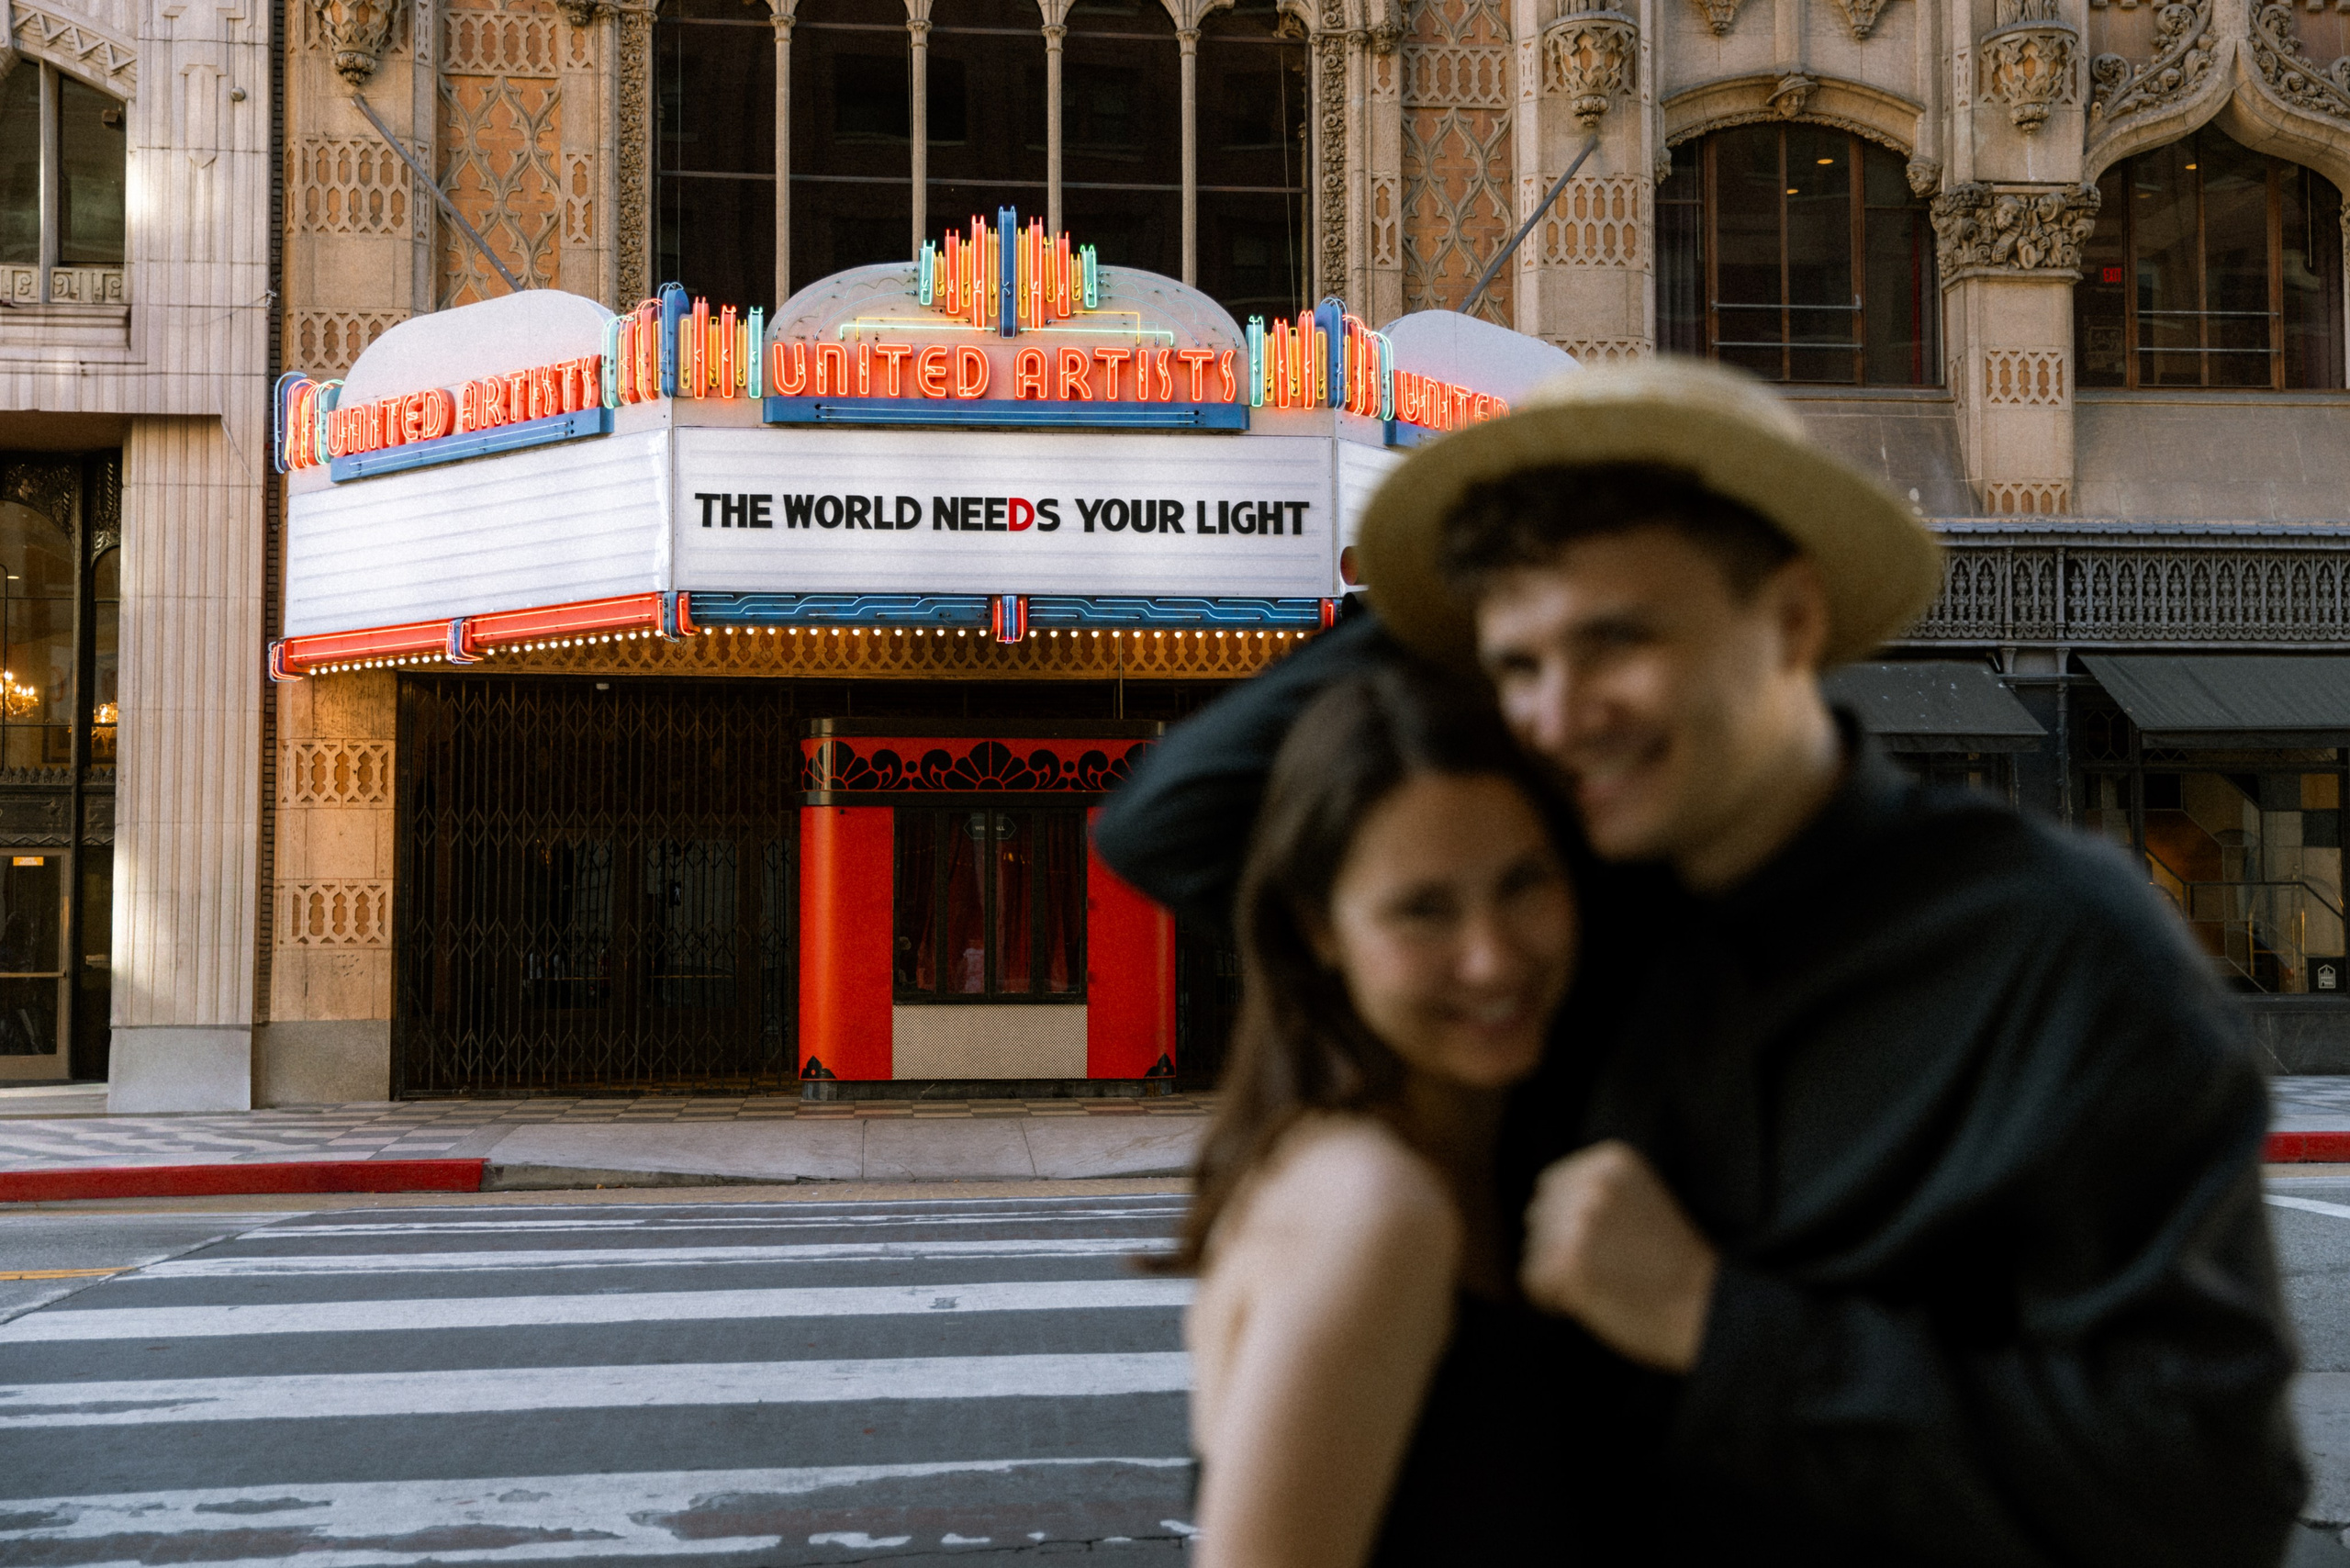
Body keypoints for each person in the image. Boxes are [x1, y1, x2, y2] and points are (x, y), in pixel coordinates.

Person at [1098, 359, 2307, 1565]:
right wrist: (1452, 587)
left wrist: (1717, 1323)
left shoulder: (2054, 947)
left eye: (1616, 639)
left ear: (1792, 619)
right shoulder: (1557, 919)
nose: (1557, 718)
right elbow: (1169, 820)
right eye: (1517, 665)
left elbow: (2208, 1488)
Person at [1170, 665, 1585, 1567]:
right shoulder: (1375, 1210)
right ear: (1318, 928)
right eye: (1422, 911)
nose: (1490, 958)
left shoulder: (1483, 1156)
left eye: (1523, 883)